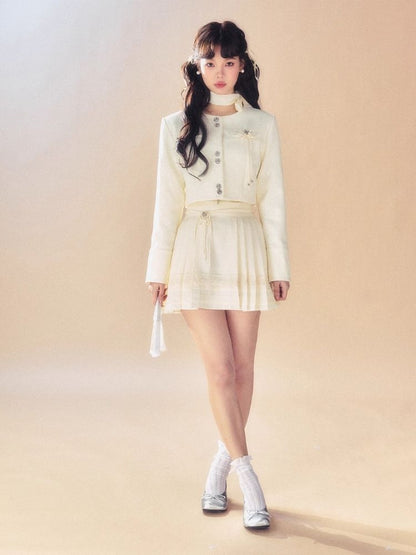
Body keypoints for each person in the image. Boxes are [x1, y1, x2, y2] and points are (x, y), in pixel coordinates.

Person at [145, 20, 290, 530]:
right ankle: (249, 478)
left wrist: (279, 264)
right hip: (195, 249)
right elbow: (168, 202)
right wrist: (158, 269)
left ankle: (218, 470)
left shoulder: (263, 125)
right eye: (211, 62)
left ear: (242, 65)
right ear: (198, 65)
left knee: (244, 369)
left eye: (229, 62)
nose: (220, 71)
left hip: (246, 244)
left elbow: (272, 199)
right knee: (221, 371)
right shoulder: (174, 126)